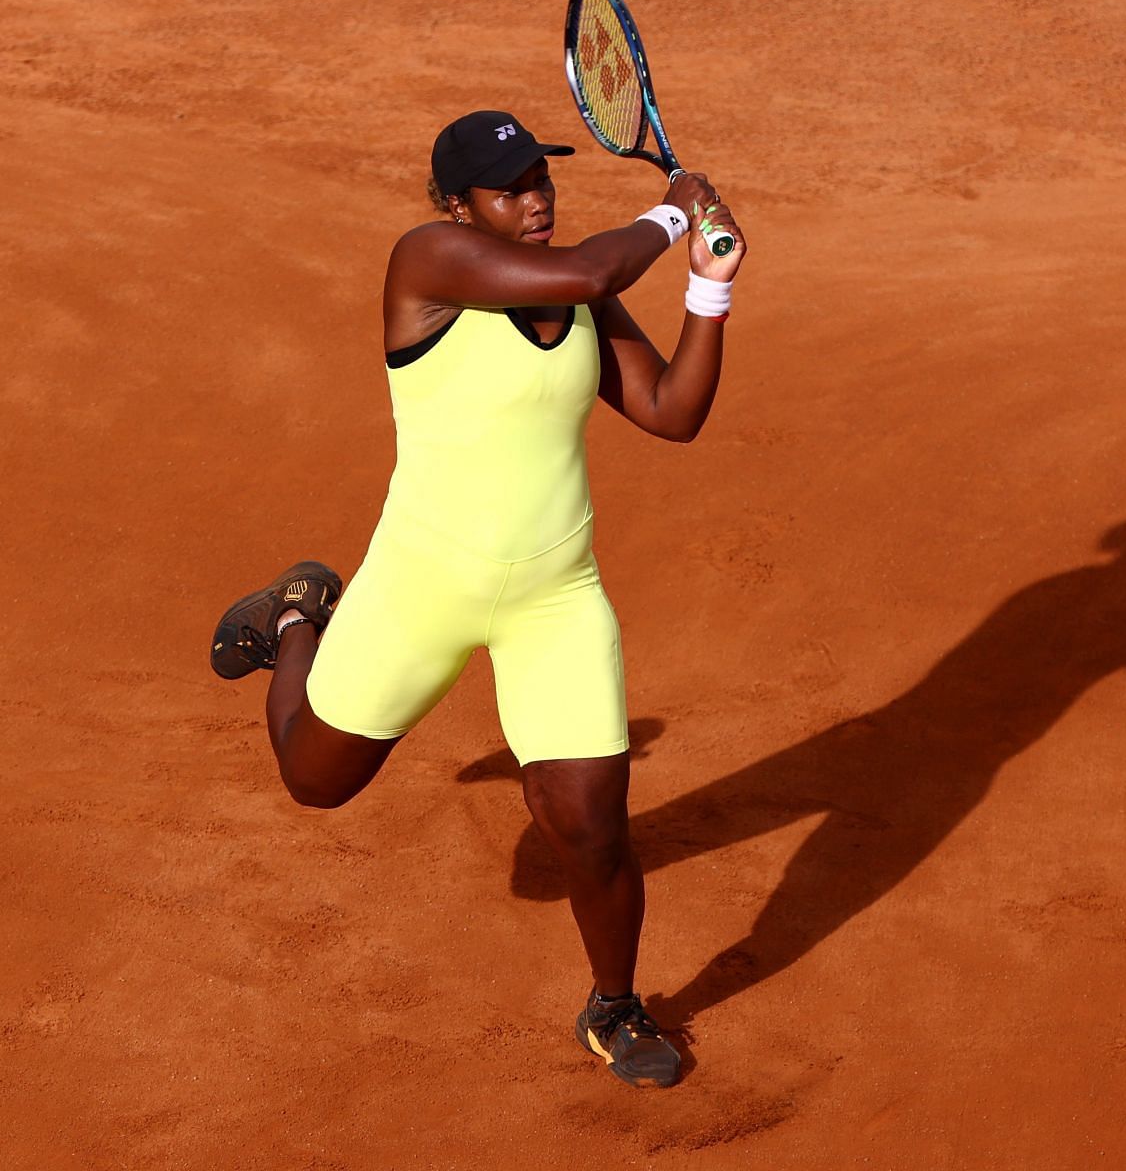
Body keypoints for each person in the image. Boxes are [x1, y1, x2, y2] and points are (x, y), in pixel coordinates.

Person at [206, 109, 744, 1088]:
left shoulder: (579, 292)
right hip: (423, 585)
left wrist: (711, 283)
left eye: (543, 179)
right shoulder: (429, 264)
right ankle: (296, 614)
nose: (535, 199)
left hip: (554, 596)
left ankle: (615, 1007)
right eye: (511, 187)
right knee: (314, 779)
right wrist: (673, 214)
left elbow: (671, 410)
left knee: (591, 821)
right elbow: (592, 270)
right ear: (457, 205)